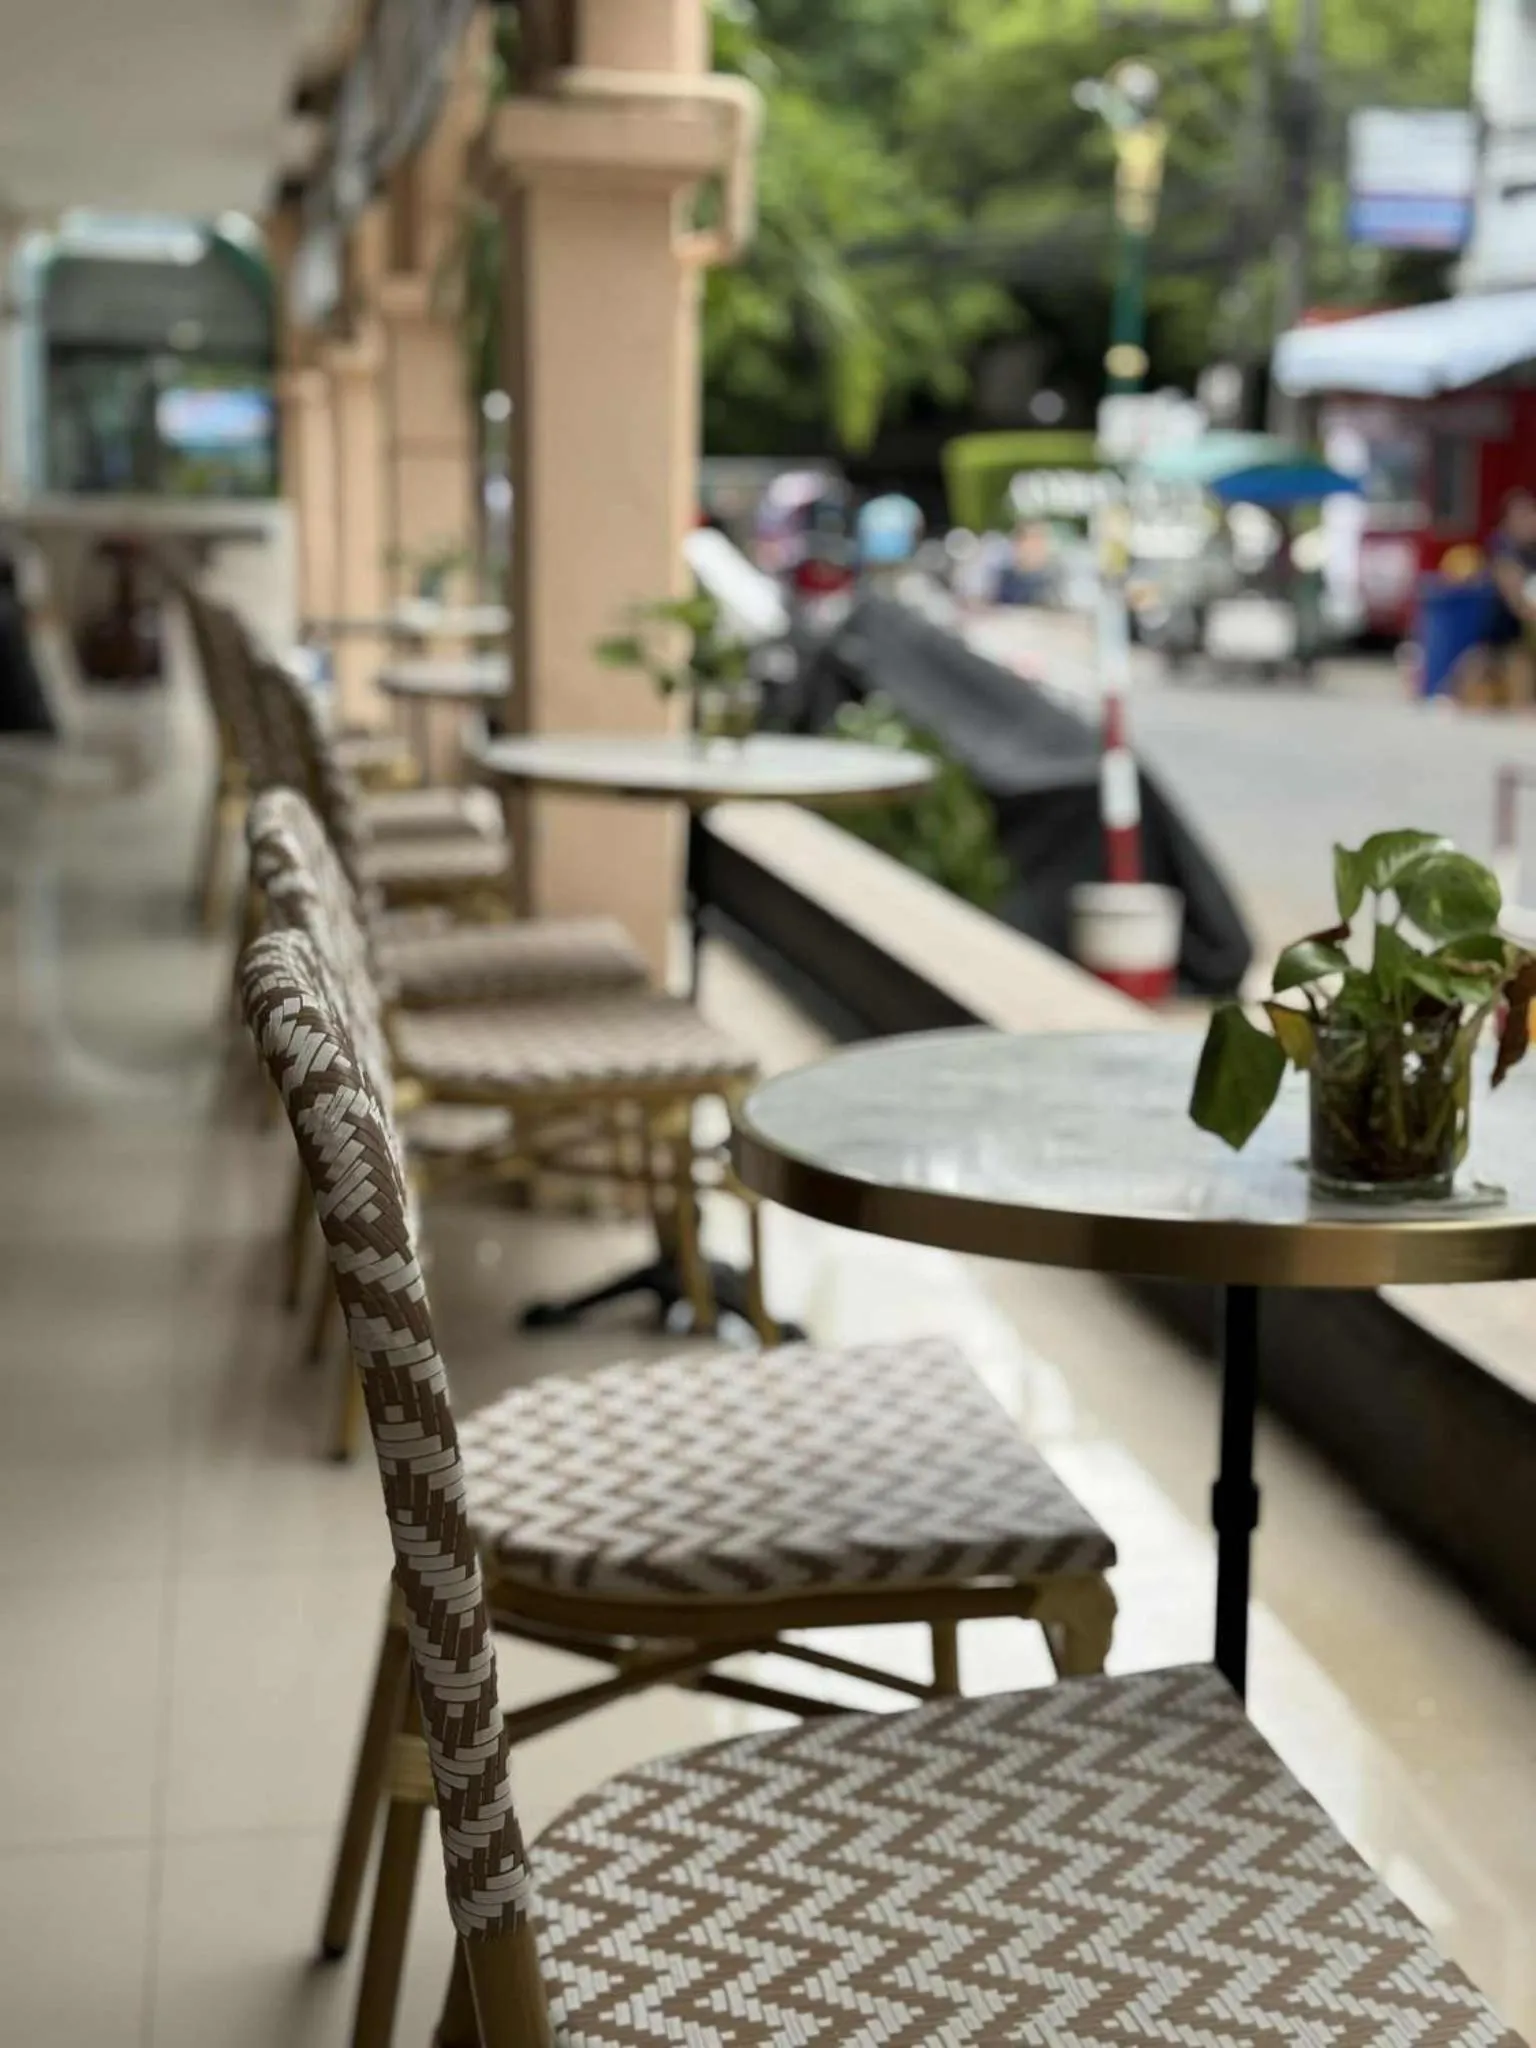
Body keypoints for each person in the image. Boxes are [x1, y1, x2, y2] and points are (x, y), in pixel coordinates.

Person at [1464, 489, 1536, 708]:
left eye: (1531, 513)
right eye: (1522, 515)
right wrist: (1526, 607)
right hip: (1499, 642)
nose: (1530, 521)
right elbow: (1516, 596)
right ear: (1508, 521)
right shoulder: (1502, 548)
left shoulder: (1531, 550)